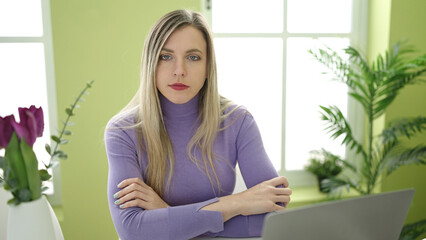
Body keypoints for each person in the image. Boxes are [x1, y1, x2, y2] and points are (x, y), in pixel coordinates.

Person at [104, 9, 292, 240]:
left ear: (207, 68)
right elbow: (132, 230)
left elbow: (275, 219)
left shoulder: (237, 122)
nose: (179, 71)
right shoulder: (123, 132)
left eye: (193, 57)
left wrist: (166, 216)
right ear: (150, 63)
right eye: (166, 56)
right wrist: (237, 203)